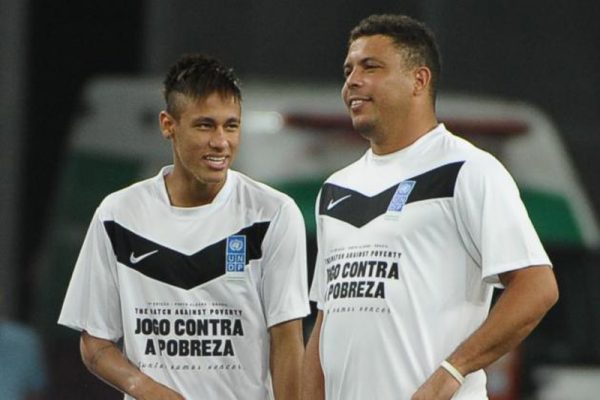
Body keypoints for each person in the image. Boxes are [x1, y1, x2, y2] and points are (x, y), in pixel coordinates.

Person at [302, 14, 558, 400]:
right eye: (348, 69)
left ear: (419, 80)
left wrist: (452, 372)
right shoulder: (336, 189)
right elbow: (327, 321)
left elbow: (538, 287)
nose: (352, 80)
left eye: (370, 67)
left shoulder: (467, 170)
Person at [58, 53, 309, 400]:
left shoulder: (273, 213)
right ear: (168, 125)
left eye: (231, 125)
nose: (221, 141)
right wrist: (143, 387)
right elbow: (95, 341)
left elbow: (287, 339)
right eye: (205, 125)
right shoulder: (117, 214)